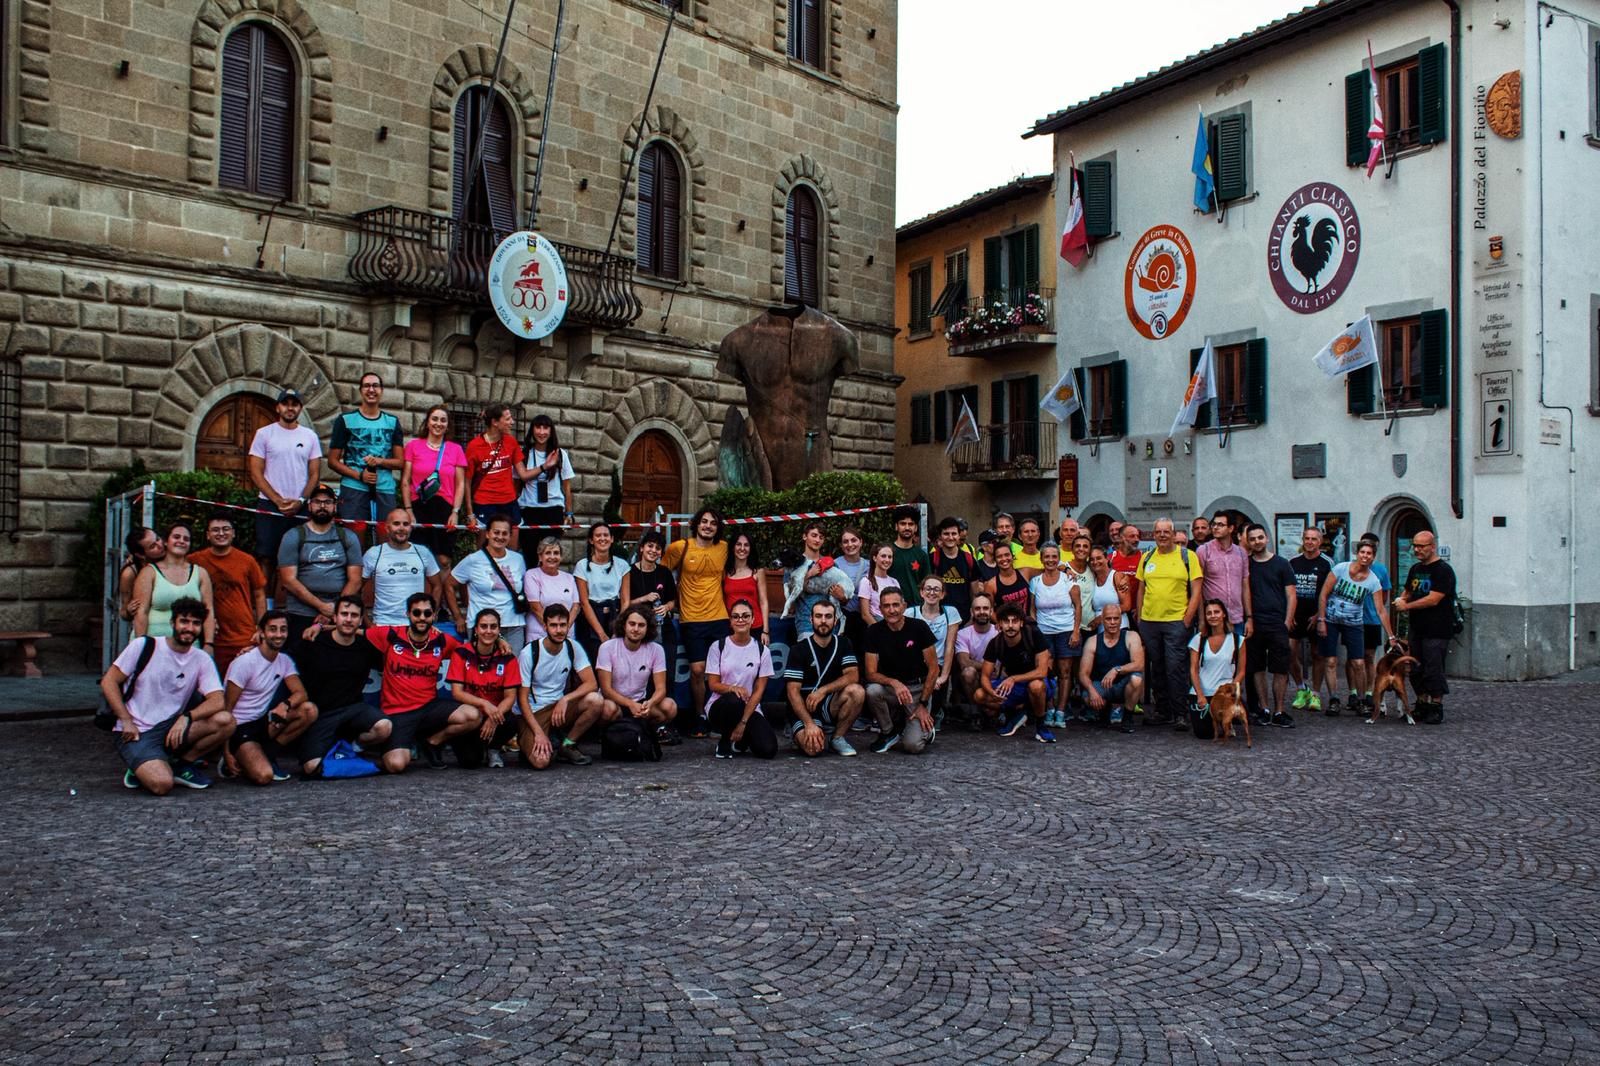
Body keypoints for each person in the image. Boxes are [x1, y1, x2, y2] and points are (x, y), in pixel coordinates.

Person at [102, 597, 229, 793]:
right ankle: (140, 766)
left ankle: (182, 764)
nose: (189, 628)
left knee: (226, 721)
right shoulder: (144, 646)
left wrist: (186, 717)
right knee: (162, 785)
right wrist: (125, 720)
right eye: (184, 621)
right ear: (173, 623)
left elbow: (218, 700)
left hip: (170, 727)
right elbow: (109, 681)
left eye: (196, 623)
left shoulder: (201, 658)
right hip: (137, 730)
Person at [367, 592, 479, 772]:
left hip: (429, 708)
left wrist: (500, 639)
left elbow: (473, 651)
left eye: (427, 614)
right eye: (416, 613)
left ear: (434, 616)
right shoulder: (391, 635)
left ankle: (432, 742)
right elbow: (352, 630)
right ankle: (401, 742)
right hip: (397, 713)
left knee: (473, 716)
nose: (422, 618)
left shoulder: (441, 640)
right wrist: (319, 626)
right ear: (408, 615)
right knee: (395, 765)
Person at [293, 595, 391, 777]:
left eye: (354, 616)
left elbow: (389, 642)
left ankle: (354, 747)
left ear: (361, 620)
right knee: (311, 767)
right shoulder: (315, 642)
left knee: (383, 727)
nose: (348, 619)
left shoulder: (366, 646)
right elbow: (284, 663)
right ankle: (347, 757)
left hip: (354, 710)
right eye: (344, 614)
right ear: (335, 617)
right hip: (321, 714)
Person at [220, 610, 317, 785]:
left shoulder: (284, 660)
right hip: (239, 728)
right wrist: (225, 752)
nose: (278, 635)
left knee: (309, 710)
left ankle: (268, 753)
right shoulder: (245, 662)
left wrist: (285, 705)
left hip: (263, 722)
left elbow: (301, 693)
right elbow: (227, 710)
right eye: (273, 629)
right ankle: (240, 755)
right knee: (264, 776)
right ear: (261, 632)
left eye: (283, 629)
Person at [515, 602, 608, 766]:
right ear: (545, 626)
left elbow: (591, 683)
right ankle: (534, 742)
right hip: (535, 712)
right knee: (541, 762)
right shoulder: (530, 653)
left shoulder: (572, 647)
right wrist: (538, 733)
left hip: (559, 707)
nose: (559, 630)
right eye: (554, 625)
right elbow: (522, 700)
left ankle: (567, 745)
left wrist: (565, 699)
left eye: (563, 625)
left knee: (596, 700)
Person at [664, 508, 731, 737]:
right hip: (691, 618)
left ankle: (720, 715)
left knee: (722, 671)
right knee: (697, 670)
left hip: (719, 617)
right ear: (696, 524)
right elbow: (662, 576)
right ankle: (701, 714)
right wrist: (670, 602)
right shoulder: (679, 547)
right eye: (704, 522)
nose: (708, 526)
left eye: (713, 523)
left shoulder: (724, 548)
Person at [1134, 518, 1204, 729]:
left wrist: (1187, 619)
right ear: (1153, 535)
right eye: (1158, 532)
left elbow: (1197, 589)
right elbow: (1141, 589)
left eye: (1167, 532)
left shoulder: (1187, 556)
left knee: (1176, 667)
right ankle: (1162, 710)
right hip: (1150, 621)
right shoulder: (1147, 558)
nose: (1162, 535)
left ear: (1174, 535)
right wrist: (1140, 618)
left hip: (1176, 621)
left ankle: (1180, 713)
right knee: (1157, 668)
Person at [247, 388, 320, 589]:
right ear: (278, 407)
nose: (290, 408)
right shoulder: (264, 434)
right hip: (269, 505)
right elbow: (255, 472)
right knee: (267, 557)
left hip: (301, 507)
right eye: (286, 403)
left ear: (300, 408)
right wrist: (277, 500)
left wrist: (301, 501)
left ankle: (295, 608)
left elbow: (314, 473)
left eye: (294, 404)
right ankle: (266, 609)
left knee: (301, 558)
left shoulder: (310, 436)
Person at [276, 485, 362, 653]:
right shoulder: (293, 536)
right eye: (317, 502)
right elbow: (288, 580)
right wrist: (321, 606)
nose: (322, 506)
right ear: (309, 506)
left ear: (335, 506)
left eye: (328, 502)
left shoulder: (347, 536)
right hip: (301, 611)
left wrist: (334, 610)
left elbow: (356, 579)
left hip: (339, 612)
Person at [1316, 539, 1393, 716]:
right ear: (1357, 554)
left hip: (1354, 622)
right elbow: (1323, 594)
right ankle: (1334, 699)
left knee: (1358, 662)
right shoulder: (1341, 569)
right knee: (1331, 661)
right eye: (1363, 552)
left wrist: (1391, 636)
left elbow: (1381, 610)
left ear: (1373, 557)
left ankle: (1360, 700)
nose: (1365, 556)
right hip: (1331, 619)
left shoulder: (1373, 580)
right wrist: (1321, 619)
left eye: (1369, 553)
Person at [783, 599, 865, 757]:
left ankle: (837, 738)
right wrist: (809, 723)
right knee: (813, 750)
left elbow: (853, 675)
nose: (823, 621)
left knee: (857, 691)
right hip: (805, 707)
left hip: (828, 702)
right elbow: (792, 692)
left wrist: (823, 690)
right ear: (811, 619)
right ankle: (806, 730)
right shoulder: (798, 649)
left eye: (828, 616)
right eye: (819, 616)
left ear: (835, 620)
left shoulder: (843, 643)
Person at [861, 587, 938, 755]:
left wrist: (923, 705)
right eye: (886, 606)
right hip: (893, 689)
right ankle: (888, 732)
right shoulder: (874, 632)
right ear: (880, 609)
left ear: (904, 606)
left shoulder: (919, 627)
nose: (891, 610)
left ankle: (924, 731)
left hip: (918, 689)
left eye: (896, 605)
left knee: (913, 746)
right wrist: (893, 682)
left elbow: (933, 668)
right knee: (872, 690)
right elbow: (870, 673)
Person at [1392, 529, 1456, 725]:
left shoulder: (1443, 570)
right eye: (1415, 546)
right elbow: (1409, 591)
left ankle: (1436, 705)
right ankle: (1421, 703)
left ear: (1432, 546)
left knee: (1433, 667)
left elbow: (1434, 599)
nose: (1417, 550)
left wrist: (1407, 606)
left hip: (1437, 628)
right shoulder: (1415, 569)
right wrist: (1401, 599)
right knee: (1416, 667)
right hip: (1417, 627)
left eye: (1421, 546)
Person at [446, 608, 523, 768]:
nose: (488, 631)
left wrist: (493, 718)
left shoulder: (508, 658)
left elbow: (510, 697)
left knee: (512, 721)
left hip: (495, 715)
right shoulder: (461, 653)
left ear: (499, 630)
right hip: (471, 716)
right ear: (476, 630)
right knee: (470, 763)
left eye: (493, 627)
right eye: (484, 626)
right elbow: (457, 693)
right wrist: (484, 704)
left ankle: (493, 749)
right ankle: (478, 748)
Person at [327, 371, 405, 527]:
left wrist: (379, 461)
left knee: (387, 540)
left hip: (384, 488)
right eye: (367, 386)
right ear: (361, 390)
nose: (371, 390)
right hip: (353, 487)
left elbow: (400, 462)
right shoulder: (345, 420)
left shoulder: (392, 422)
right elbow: (332, 461)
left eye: (375, 386)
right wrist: (359, 476)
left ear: (381, 391)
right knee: (355, 539)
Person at [193, 512, 266, 675]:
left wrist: (262, 627)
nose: (221, 533)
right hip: (211, 639)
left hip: (244, 636)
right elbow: (170, 565)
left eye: (226, 529)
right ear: (207, 535)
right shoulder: (195, 560)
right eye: (215, 530)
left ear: (233, 533)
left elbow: (260, 595)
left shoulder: (247, 560)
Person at [704, 600, 777, 759]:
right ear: (730, 621)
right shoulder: (718, 646)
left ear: (753, 620)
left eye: (745, 616)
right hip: (721, 705)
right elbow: (713, 684)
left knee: (768, 749)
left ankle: (740, 740)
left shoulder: (762, 650)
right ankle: (724, 740)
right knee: (733, 700)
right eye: (735, 616)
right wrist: (732, 688)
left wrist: (743, 724)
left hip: (749, 706)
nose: (740, 620)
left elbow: (759, 691)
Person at [596, 604, 680, 740]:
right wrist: (630, 704)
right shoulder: (607, 647)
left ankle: (644, 732)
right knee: (607, 709)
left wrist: (650, 703)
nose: (636, 629)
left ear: (648, 628)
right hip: (615, 702)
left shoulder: (656, 649)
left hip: (640, 702)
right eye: (632, 624)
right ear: (624, 625)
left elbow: (661, 689)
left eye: (641, 625)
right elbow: (606, 690)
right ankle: (607, 734)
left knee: (670, 706)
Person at [448, 514, 528, 654]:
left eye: (505, 533)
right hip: (483, 626)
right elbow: (449, 584)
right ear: (487, 534)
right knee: (483, 670)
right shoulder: (473, 560)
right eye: (496, 532)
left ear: (510, 536)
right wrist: (458, 616)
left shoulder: (518, 560)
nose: (500, 537)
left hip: (513, 625)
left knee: (512, 669)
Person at [1244, 523, 1298, 728]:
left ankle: (1279, 710)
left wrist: (1287, 620)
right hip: (1255, 624)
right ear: (1248, 542)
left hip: (1277, 624)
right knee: (1257, 668)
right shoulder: (1247, 565)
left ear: (1266, 538)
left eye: (1260, 537)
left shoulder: (1282, 563)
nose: (1257, 541)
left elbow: (1291, 594)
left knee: (1280, 669)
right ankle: (1265, 709)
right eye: (1252, 539)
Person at [132, 521, 216, 650]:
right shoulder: (149, 572)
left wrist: (209, 644)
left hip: (188, 646)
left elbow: (208, 610)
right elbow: (141, 612)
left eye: (186, 539)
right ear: (166, 541)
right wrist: (141, 646)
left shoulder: (200, 573)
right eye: (176, 537)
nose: (181, 541)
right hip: (153, 644)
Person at [399, 405, 469, 560]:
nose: (438, 423)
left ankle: (441, 585)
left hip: (445, 507)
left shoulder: (456, 449)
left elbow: (460, 484)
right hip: (419, 505)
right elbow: (405, 480)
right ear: (428, 422)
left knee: (443, 559)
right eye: (435, 419)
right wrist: (409, 510)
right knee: (417, 557)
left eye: (443, 420)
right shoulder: (413, 446)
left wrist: (455, 512)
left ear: (448, 425)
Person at [976, 603, 1052, 742]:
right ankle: (1015, 712)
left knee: (1036, 686)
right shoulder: (995, 643)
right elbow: (985, 676)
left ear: (1021, 623)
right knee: (979, 695)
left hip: (1037, 682)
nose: (1010, 625)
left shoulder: (1033, 635)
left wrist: (1013, 678)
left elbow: (1042, 671)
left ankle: (1041, 727)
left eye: (1014, 621)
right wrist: (992, 693)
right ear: (999, 624)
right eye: (1006, 621)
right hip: (1014, 687)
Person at [362, 508, 444, 628]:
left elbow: (437, 585)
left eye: (405, 524)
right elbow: (357, 588)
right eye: (396, 524)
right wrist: (367, 622)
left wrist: (431, 614)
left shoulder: (423, 552)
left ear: (411, 528)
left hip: (415, 625)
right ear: (387, 527)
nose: (401, 528)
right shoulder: (374, 553)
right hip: (383, 624)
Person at [1029, 543, 1081, 729]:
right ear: (1041, 559)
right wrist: (1035, 632)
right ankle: (1048, 708)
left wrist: (1076, 631)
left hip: (1066, 630)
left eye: (1054, 556)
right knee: (1046, 672)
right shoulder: (1035, 582)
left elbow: (1078, 606)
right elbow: (1032, 609)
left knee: (1065, 673)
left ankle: (1061, 710)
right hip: (1044, 633)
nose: (1050, 560)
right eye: (1047, 557)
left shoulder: (1068, 579)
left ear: (1058, 558)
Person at [620, 531, 678, 694]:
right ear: (641, 548)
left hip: (663, 630)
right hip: (639, 632)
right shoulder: (629, 572)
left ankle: (665, 713)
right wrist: (644, 598)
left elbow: (673, 600)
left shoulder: (665, 573)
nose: (653, 551)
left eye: (658, 548)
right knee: (642, 675)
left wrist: (666, 607)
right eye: (650, 546)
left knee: (667, 674)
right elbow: (624, 603)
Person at [464, 403, 530, 542]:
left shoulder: (511, 442)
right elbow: (467, 481)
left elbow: (523, 474)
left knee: (512, 549)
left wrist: (545, 466)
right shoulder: (474, 446)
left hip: (509, 501)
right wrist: (470, 514)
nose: (512, 422)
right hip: (484, 502)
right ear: (495, 422)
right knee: (484, 553)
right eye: (507, 419)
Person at [517, 414, 574, 564]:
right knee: (529, 556)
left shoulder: (560, 454)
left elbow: (567, 486)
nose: (541, 432)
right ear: (532, 430)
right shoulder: (524, 453)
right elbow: (516, 484)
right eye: (538, 427)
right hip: (529, 509)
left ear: (551, 431)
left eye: (545, 428)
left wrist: (568, 513)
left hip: (553, 510)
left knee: (550, 556)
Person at [1288, 527, 1334, 712]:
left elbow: (1332, 592)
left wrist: (1320, 615)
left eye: (1314, 539)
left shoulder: (1327, 563)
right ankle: (1301, 688)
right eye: (1307, 538)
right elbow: (1288, 589)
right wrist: (1289, 614)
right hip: (1296, 615)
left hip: (1317, 615)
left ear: (1320, 542)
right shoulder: (1293, 562)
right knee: (1289, 651)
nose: (1309, 542)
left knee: (1318, 655)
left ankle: (1315, 693)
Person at [1079, 602, 1143, 731]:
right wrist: (1092, 692)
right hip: (1102, 684)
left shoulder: (1131, 636)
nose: (1112, 622)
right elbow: (1083, 673)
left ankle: (1128, 716)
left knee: (1137, 679)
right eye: (1108, 619)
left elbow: (1139, 664)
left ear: (1121, 620)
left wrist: (1116, 670)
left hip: (1124, 685)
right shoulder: (1093, 641)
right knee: (1087, 697)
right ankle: (1104, 711)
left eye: (1116, 618)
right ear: (1102, 620)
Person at [787, 521, 851, 637]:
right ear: (804, 536)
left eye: (821, 537)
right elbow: (790, 597)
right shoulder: (793, 564)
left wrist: (842, 597)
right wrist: (808, 575)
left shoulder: (831, 564)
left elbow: (843, 600)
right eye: (814, 535)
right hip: (806, 625)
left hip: (831, 626)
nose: (817, 540)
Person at [575, 522, 629, 660]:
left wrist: (618, 628)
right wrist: (601, 634)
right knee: (592, 659)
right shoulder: (582, 566)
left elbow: (625, 600)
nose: (602, 538)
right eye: (598, 535)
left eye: (606, 535)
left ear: (612, 539)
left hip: (616, 616)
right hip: (591, 618)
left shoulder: (622, 565)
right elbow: (584, 602)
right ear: (591, 540)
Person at [1190, 598, 1246, 726]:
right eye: (1209, 613)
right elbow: (1193, 670)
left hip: (1224, 693)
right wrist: (1200, 695)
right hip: (1202, 693)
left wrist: (1231, 692)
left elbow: (1241, 671)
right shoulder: (1198, 639)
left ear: (1224, 614)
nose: (1213, 616)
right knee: (1204, 734)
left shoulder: (1238, 640)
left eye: (1217, 612)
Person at [914, 576, 962, 726]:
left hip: (939, 664)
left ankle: (937, 711)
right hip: (917, 664)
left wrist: (943, 677)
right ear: (921, 592)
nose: (932, 592)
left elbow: (950, 646)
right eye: (928, 588)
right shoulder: (911, 613)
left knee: (937, 685)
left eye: (936, 589)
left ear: (942, 594)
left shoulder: (950, 613)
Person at [1197, 510, 1252, 640]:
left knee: (1237, 657)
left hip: (1236, 618)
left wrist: (1249, 618)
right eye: (1214, 524)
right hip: (1213, 619)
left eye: (1220, 525)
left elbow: (1245, 586)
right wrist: (1201, 620)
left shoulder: (1241, 553)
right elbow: (1197, 588)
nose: (1215, 527)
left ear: (1231, 528)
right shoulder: (1204, 551)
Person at [1355, 532, 1392, 710]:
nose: (1366, 554)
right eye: (1364, 548)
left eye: (1370, 549)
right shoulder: (1350, 568)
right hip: (1353, 619)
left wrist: (1377, 612)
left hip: (1371, 619)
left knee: (1369, 656)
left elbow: (1384, 596)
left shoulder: (1381, 570)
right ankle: (1354, 692)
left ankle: (1369, 692)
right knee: (1354, 658)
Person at [525, 535, 581, 643]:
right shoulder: (532, 575)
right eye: (547, 553)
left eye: (556, 553)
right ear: (540, 557)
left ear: (561, 557)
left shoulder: (569, 578)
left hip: (566, 634)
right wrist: (552, 629)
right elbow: (535, 607)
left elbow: (576, 606)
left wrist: (564, 628)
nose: (552, 557)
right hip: (540, 634)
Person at [954, 593, 998, 720]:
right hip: (975, 681)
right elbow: (964, 663)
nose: (981, 612)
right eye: (977, 609)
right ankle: (975, 712)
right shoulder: (962, 634)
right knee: (968, 672)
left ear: (991, 611)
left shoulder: (999, 632)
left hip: (997, 679)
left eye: (985, 608)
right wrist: (991, 667)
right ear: (972, 612)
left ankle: (1000, 711)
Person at [720, 529, 769, 641]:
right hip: (732, 626)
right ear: (733, 547)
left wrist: (765, 631)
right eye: (738, 544)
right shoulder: (725, 572)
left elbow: (763, 601)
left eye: (746, 545)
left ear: (750, 548)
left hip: (755, 626)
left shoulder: (758, 572)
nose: (742, 548)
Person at [930, 516, 976, 620]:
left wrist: (973, 616)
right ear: (940, 536)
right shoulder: (932, 558)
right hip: (938, 618)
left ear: (959, 535)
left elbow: (975, 591)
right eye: (946, 534)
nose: (950, 537)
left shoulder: (969, 558)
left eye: (954, 534)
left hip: (964, 618)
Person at [833, 527, 871, 650]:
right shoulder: (835, 564)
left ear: (861, 542)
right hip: (842, 619)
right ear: (841, 545)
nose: (850, 544)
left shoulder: (869, 565)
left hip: (865, 618)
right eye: (845, 541)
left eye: (853, 540)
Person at [118, 525, 165, 623]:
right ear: (140, 555)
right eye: (153, 546)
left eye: (158, 539)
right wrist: (128, 610)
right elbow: (123, 611)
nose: (160, 545)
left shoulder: (171, 555)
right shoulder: (130, 573)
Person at [1086, 545, 1133, 634]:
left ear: (1107, 558)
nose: (1095, 562)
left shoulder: (1117, 577)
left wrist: (1102, 617)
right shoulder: (1092, 578)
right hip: (1101, 631)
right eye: (1092, 559)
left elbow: (1127, 606)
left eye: (1099, 558)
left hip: (1119, 628)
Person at [887, 505, 932, 595]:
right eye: (903, 524)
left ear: (915, 528)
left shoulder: (921, 555)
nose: (907, 528)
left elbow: (927, 584)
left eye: (911, 524)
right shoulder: (886, 552)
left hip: (916, 606)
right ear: (896, 526)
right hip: (891, 605)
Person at [856, 543, 899, 627]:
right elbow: (865, 615)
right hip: (877, 626)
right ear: (875, 558)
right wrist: (880, 631)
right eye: (883, 556)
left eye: (890, 557)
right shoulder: (866, 582)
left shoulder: (895, 582)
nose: (887, 560)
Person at [989, 543, 1031, 618]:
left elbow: (1046, 570)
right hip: (1007, 628)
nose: (1004, 559)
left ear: (1012, 556)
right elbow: (989, 609)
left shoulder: (1025, 572)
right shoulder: (992, 584)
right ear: (995, 560)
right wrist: (1000, 623)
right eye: (999, 556)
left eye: (1007, 555)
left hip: (1027, 625)